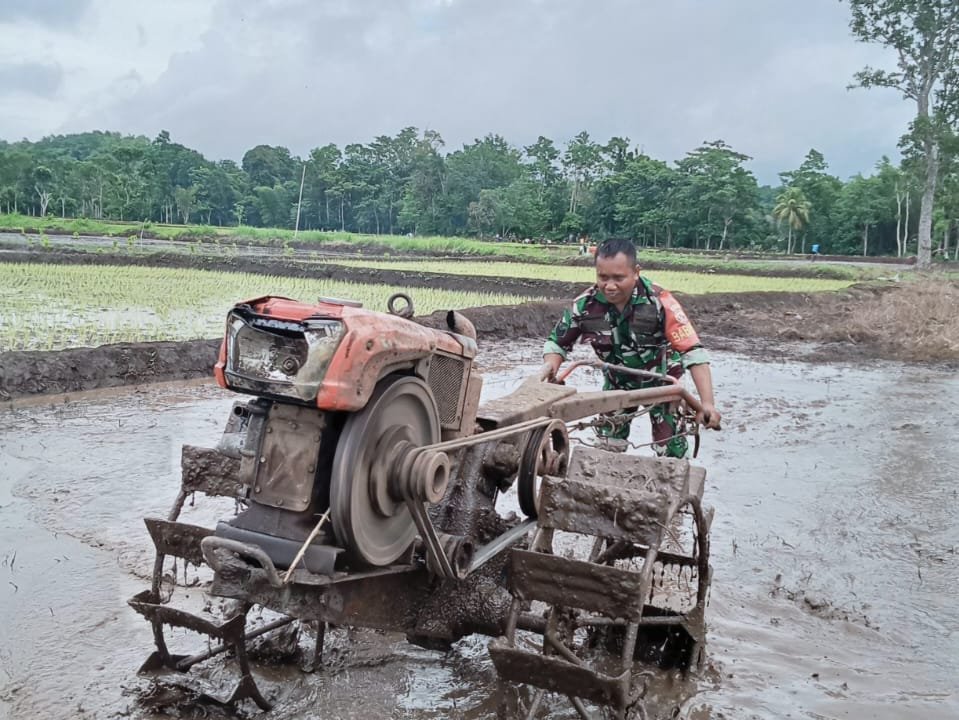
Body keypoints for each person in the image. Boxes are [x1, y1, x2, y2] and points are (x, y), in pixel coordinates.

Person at [540, 238, 721, 456]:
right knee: (606, 450)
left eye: (618, 278)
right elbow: (557, 343)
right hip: (618, 384)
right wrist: (551, 369)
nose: (609, 285)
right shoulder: (585, 306)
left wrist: (707, 403)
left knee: (671, 454)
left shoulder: (659, 301)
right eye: (603, 277)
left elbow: (692, 351)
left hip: (662, 384)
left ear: (636, 272)